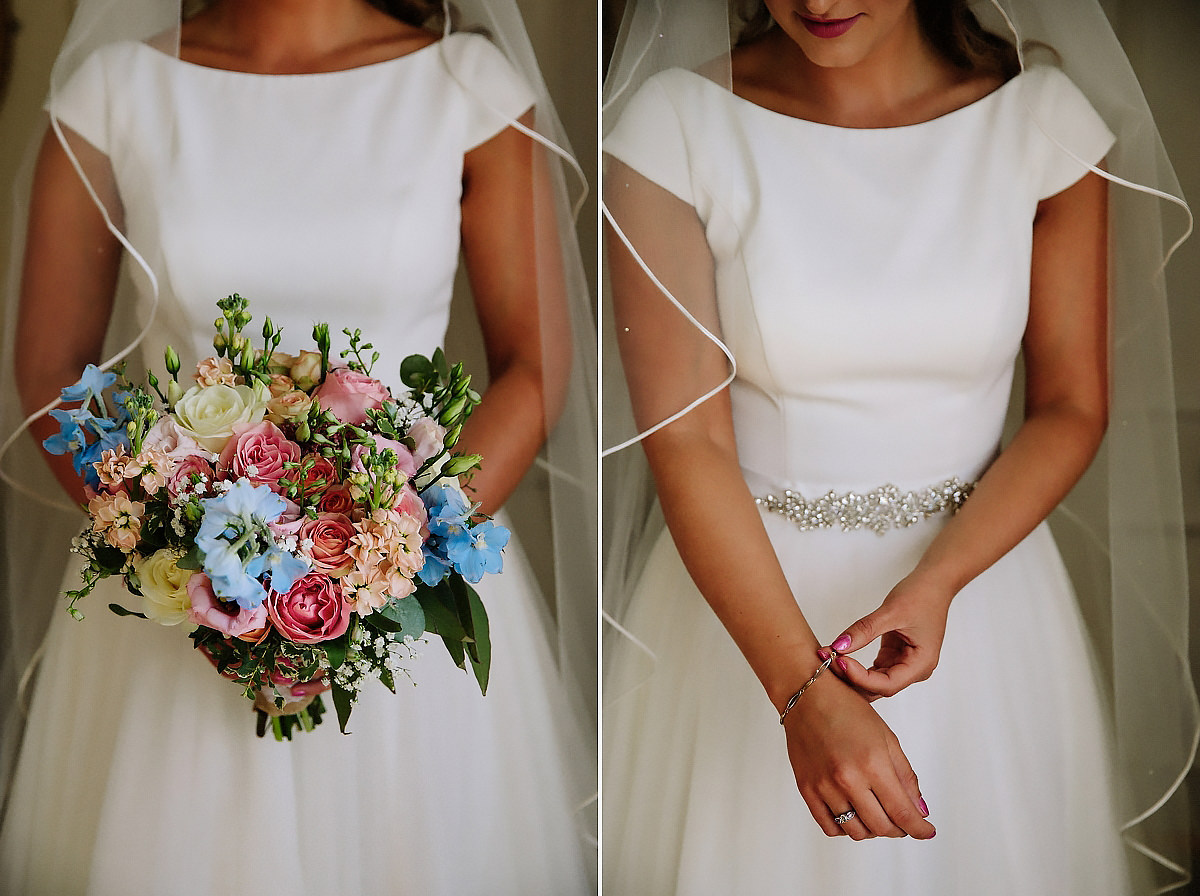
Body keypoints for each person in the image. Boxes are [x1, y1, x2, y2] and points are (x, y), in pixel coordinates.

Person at [0, 0, 596, 893]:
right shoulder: (114, 91)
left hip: (410, 604)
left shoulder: (466, 88)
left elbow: (536, 365)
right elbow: (53, 368)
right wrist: (162, 539)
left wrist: (386, 565)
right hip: (175, 613)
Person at [601, 0, 1197, 893]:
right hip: (747, 609)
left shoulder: (1040, 121)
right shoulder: (674, 127)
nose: (818, 2)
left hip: (982, 601)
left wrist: (938, 582)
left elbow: (1070, 406)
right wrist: (801, 693)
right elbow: (687, 439)